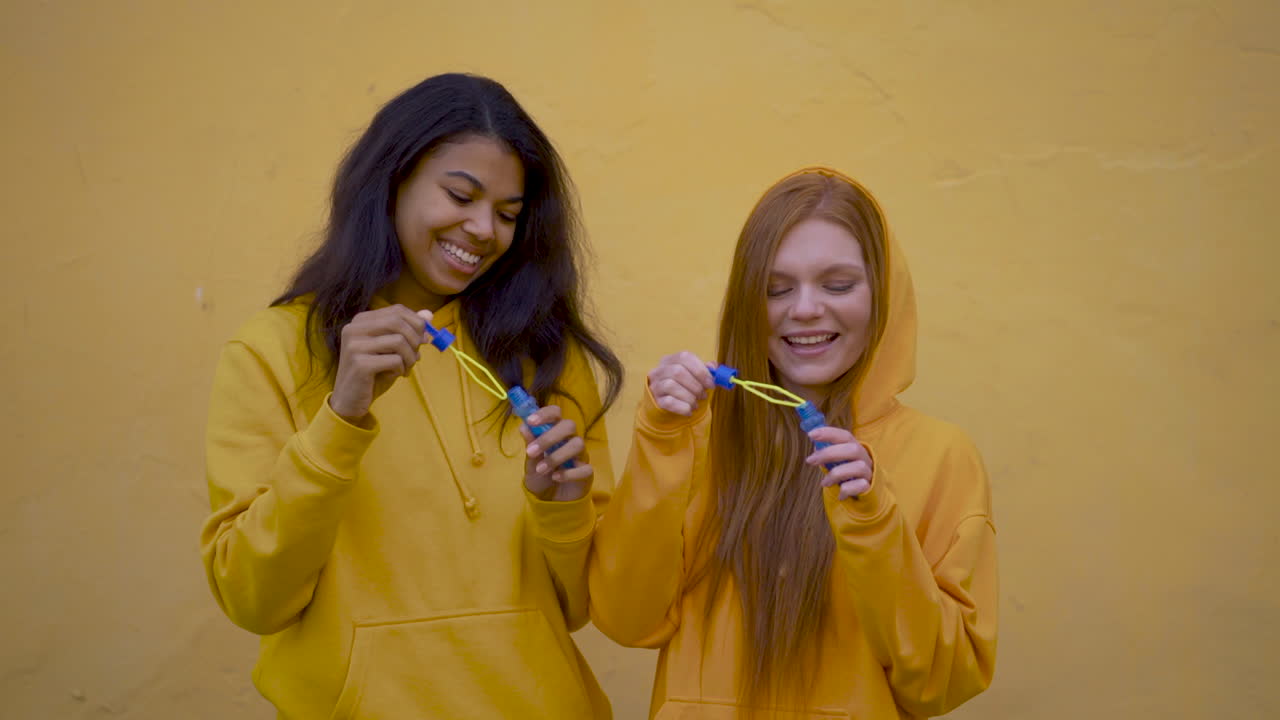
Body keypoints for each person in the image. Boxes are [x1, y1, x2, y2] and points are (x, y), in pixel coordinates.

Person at [200, 73, 622, 719]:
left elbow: (575, 607)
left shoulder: (547, 359)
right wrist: (340, 418)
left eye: (509, 214)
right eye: (461, 195)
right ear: (390, 180)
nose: (484, 229)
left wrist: (561, 512)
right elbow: (252, 598)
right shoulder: (272, 350)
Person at [590, 167, 997, 718]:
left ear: (884, 294)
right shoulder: (695, 438)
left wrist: (876, 525)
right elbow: (626, 619)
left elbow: (943, 683)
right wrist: (660, 442)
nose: (804, 309)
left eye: (838, 284)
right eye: (775, 288)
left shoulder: (943, 456)